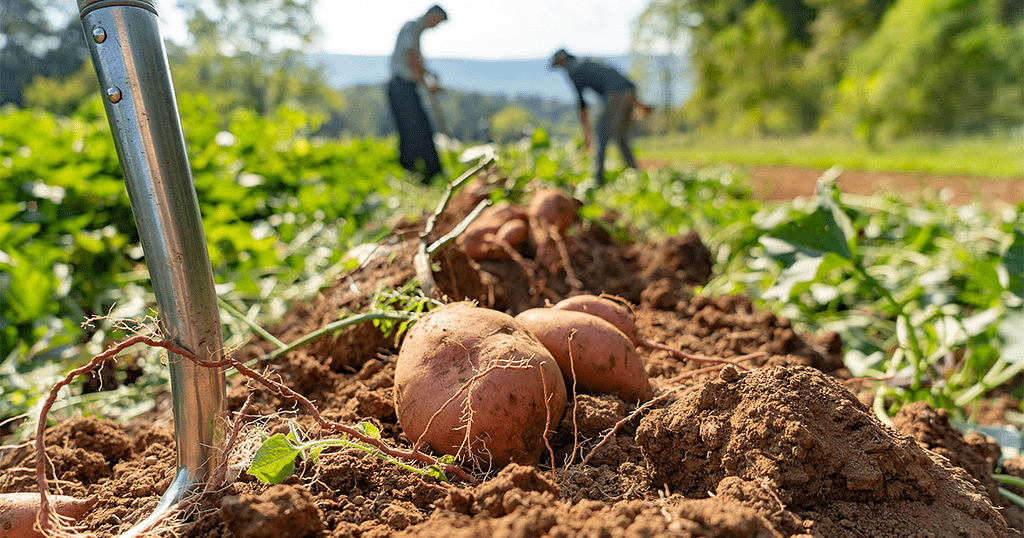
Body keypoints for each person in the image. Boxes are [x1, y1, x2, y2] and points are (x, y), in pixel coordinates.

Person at [550, 48, 646, 185]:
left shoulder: (572, 69)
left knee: (600, 135)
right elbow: (620, 79)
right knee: (621, 137)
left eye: (559, 65)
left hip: (615, 96)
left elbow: (582, 105)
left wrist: (587, 136)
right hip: (631, 92)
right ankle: (635, 174)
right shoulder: (589, 61)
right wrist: (639, 104)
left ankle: (597, 180)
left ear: (562, 60)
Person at [387, 5, 447, 181]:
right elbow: (411, 58)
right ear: (433, 16)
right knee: (415, 129)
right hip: (401, 87)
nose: (436, 27)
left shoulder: (416, 31)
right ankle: (424, 172)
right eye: (438, 22)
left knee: (415, 129)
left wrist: (427, 76)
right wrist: (426, 82)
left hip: (406, 87)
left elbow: (415, 61)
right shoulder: (412, 27)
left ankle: (420, 172)